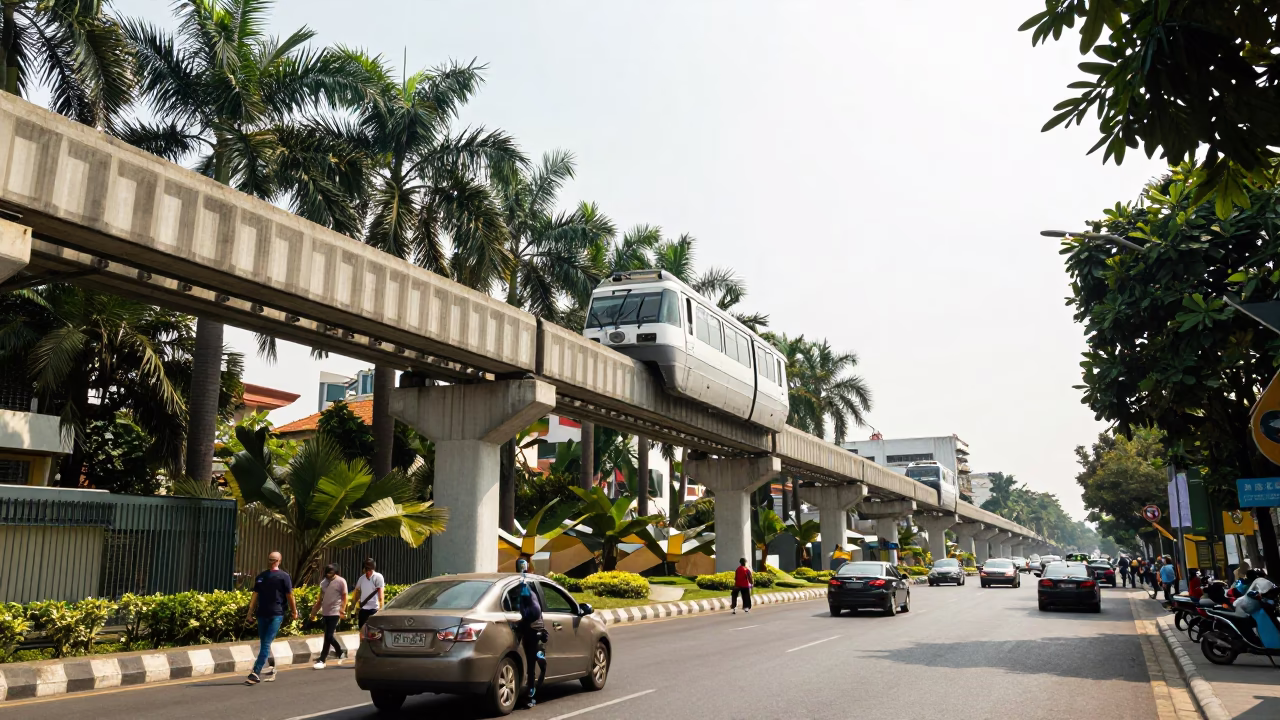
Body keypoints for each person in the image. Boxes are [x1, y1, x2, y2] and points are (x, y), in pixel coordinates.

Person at [245, 551, 297, 685]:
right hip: (275, 614)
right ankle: (258, 671)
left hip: (262, 613)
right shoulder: (284, 576)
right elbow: (290, 596)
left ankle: (260, 669)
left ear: (269, 561)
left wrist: (249, 613)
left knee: (265, 643)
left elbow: (254, 597)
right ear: (279, 561)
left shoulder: (261, 576)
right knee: (265, 643)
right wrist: (294, 612)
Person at [514, 557, 547, 708]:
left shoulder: (522, 584)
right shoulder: (525, 584)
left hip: (532, 630)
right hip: (533, 630)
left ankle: (530, 696)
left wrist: (522, 620)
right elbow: (534, 610)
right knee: (534, 665)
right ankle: (530, 696)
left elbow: (533, 611)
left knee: (533, 665)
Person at [310, 563, 348, 669]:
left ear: (335, 572)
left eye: (330, 572)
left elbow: (345, 596)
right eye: (327, 573)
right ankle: (323, 658)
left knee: (329, 635)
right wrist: (314, 612)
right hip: (325, 612)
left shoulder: (341, 581)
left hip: (335, 611)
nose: (328, 575)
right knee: (327, 636)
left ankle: (338, 651)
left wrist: (342, 609)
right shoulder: (324, 583)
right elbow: (320, 599)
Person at [351, 557, 385, 628]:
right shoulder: (361, 579)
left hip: (374, 609)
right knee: (362, 631)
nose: (368, 572)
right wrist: (353, 605)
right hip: (363, 609)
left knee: (374, 631)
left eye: (369, 570)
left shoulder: (378, 577)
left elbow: (381, 595)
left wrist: (381, 609)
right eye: (366, 570)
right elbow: (357, 592)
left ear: (373, 569)